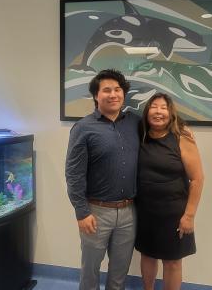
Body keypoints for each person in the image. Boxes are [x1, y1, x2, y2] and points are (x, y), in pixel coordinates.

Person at [65, 69, 140, 290]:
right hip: (96, 212)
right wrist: (81, 211)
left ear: (123, 94)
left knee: (119, 274)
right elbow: (73, 173)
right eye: (106, 90)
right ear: (96, 96)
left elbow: (162, 130)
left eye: (117, 89)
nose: (113, 94)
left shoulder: (135, 123)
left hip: (128, 212)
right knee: (90, 272)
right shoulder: (83, 127)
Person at [135, 93, 205, 290]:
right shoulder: (140, 135)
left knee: (172, 262)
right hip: (145, 212)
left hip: (174, 214)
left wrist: (189, 215)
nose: (158, 112)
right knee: (147, 255)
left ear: (171, 113)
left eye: (163, 108)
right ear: (147, 111)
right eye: (154, 107)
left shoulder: (182, 137)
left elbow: (197, 179)